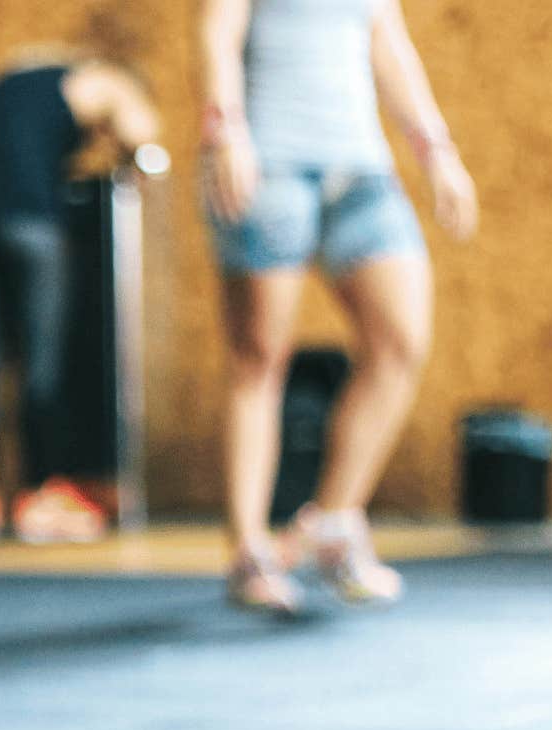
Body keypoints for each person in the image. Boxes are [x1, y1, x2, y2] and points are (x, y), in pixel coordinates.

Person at [200, 0, 477, 614]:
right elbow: (219, 31)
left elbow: (390, 47)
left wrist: (438, 153)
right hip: (269, 165)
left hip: (361, 172)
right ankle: (250, 553)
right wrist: (227, 132)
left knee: (401, 342)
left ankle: (333, 520)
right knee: (259, 359)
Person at [0, 53, 160, 543]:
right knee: (42, 358)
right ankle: (42, 494)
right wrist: (137, 158)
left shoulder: (10, 78)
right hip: (28, 217)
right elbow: (139, 132)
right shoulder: (101, 82)